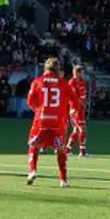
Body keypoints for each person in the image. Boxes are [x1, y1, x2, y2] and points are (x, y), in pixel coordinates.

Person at [26, 57, 79, 187]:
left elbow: (30, 101)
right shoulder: (63, 83)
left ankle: (32, 171)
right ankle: (63, 179)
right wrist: (72, 111)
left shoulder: (37, 81)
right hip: (58, 121)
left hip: (42, 120)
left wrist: (38, 111)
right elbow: (75, 102)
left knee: (34, 146)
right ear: (57, 69)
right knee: (61, 150)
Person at [65, 66, 89, 157]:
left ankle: (67, 150)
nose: (83, 74)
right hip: (75, 109)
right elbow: (73, 97)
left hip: (81, 109)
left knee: (76, 130)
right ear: (77, 73)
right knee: (82, 129)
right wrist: (81, 103)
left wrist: (84, 103)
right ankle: (82, 152)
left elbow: (83, 95)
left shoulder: (83, 82)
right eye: (82, 72)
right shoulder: (72, 82)